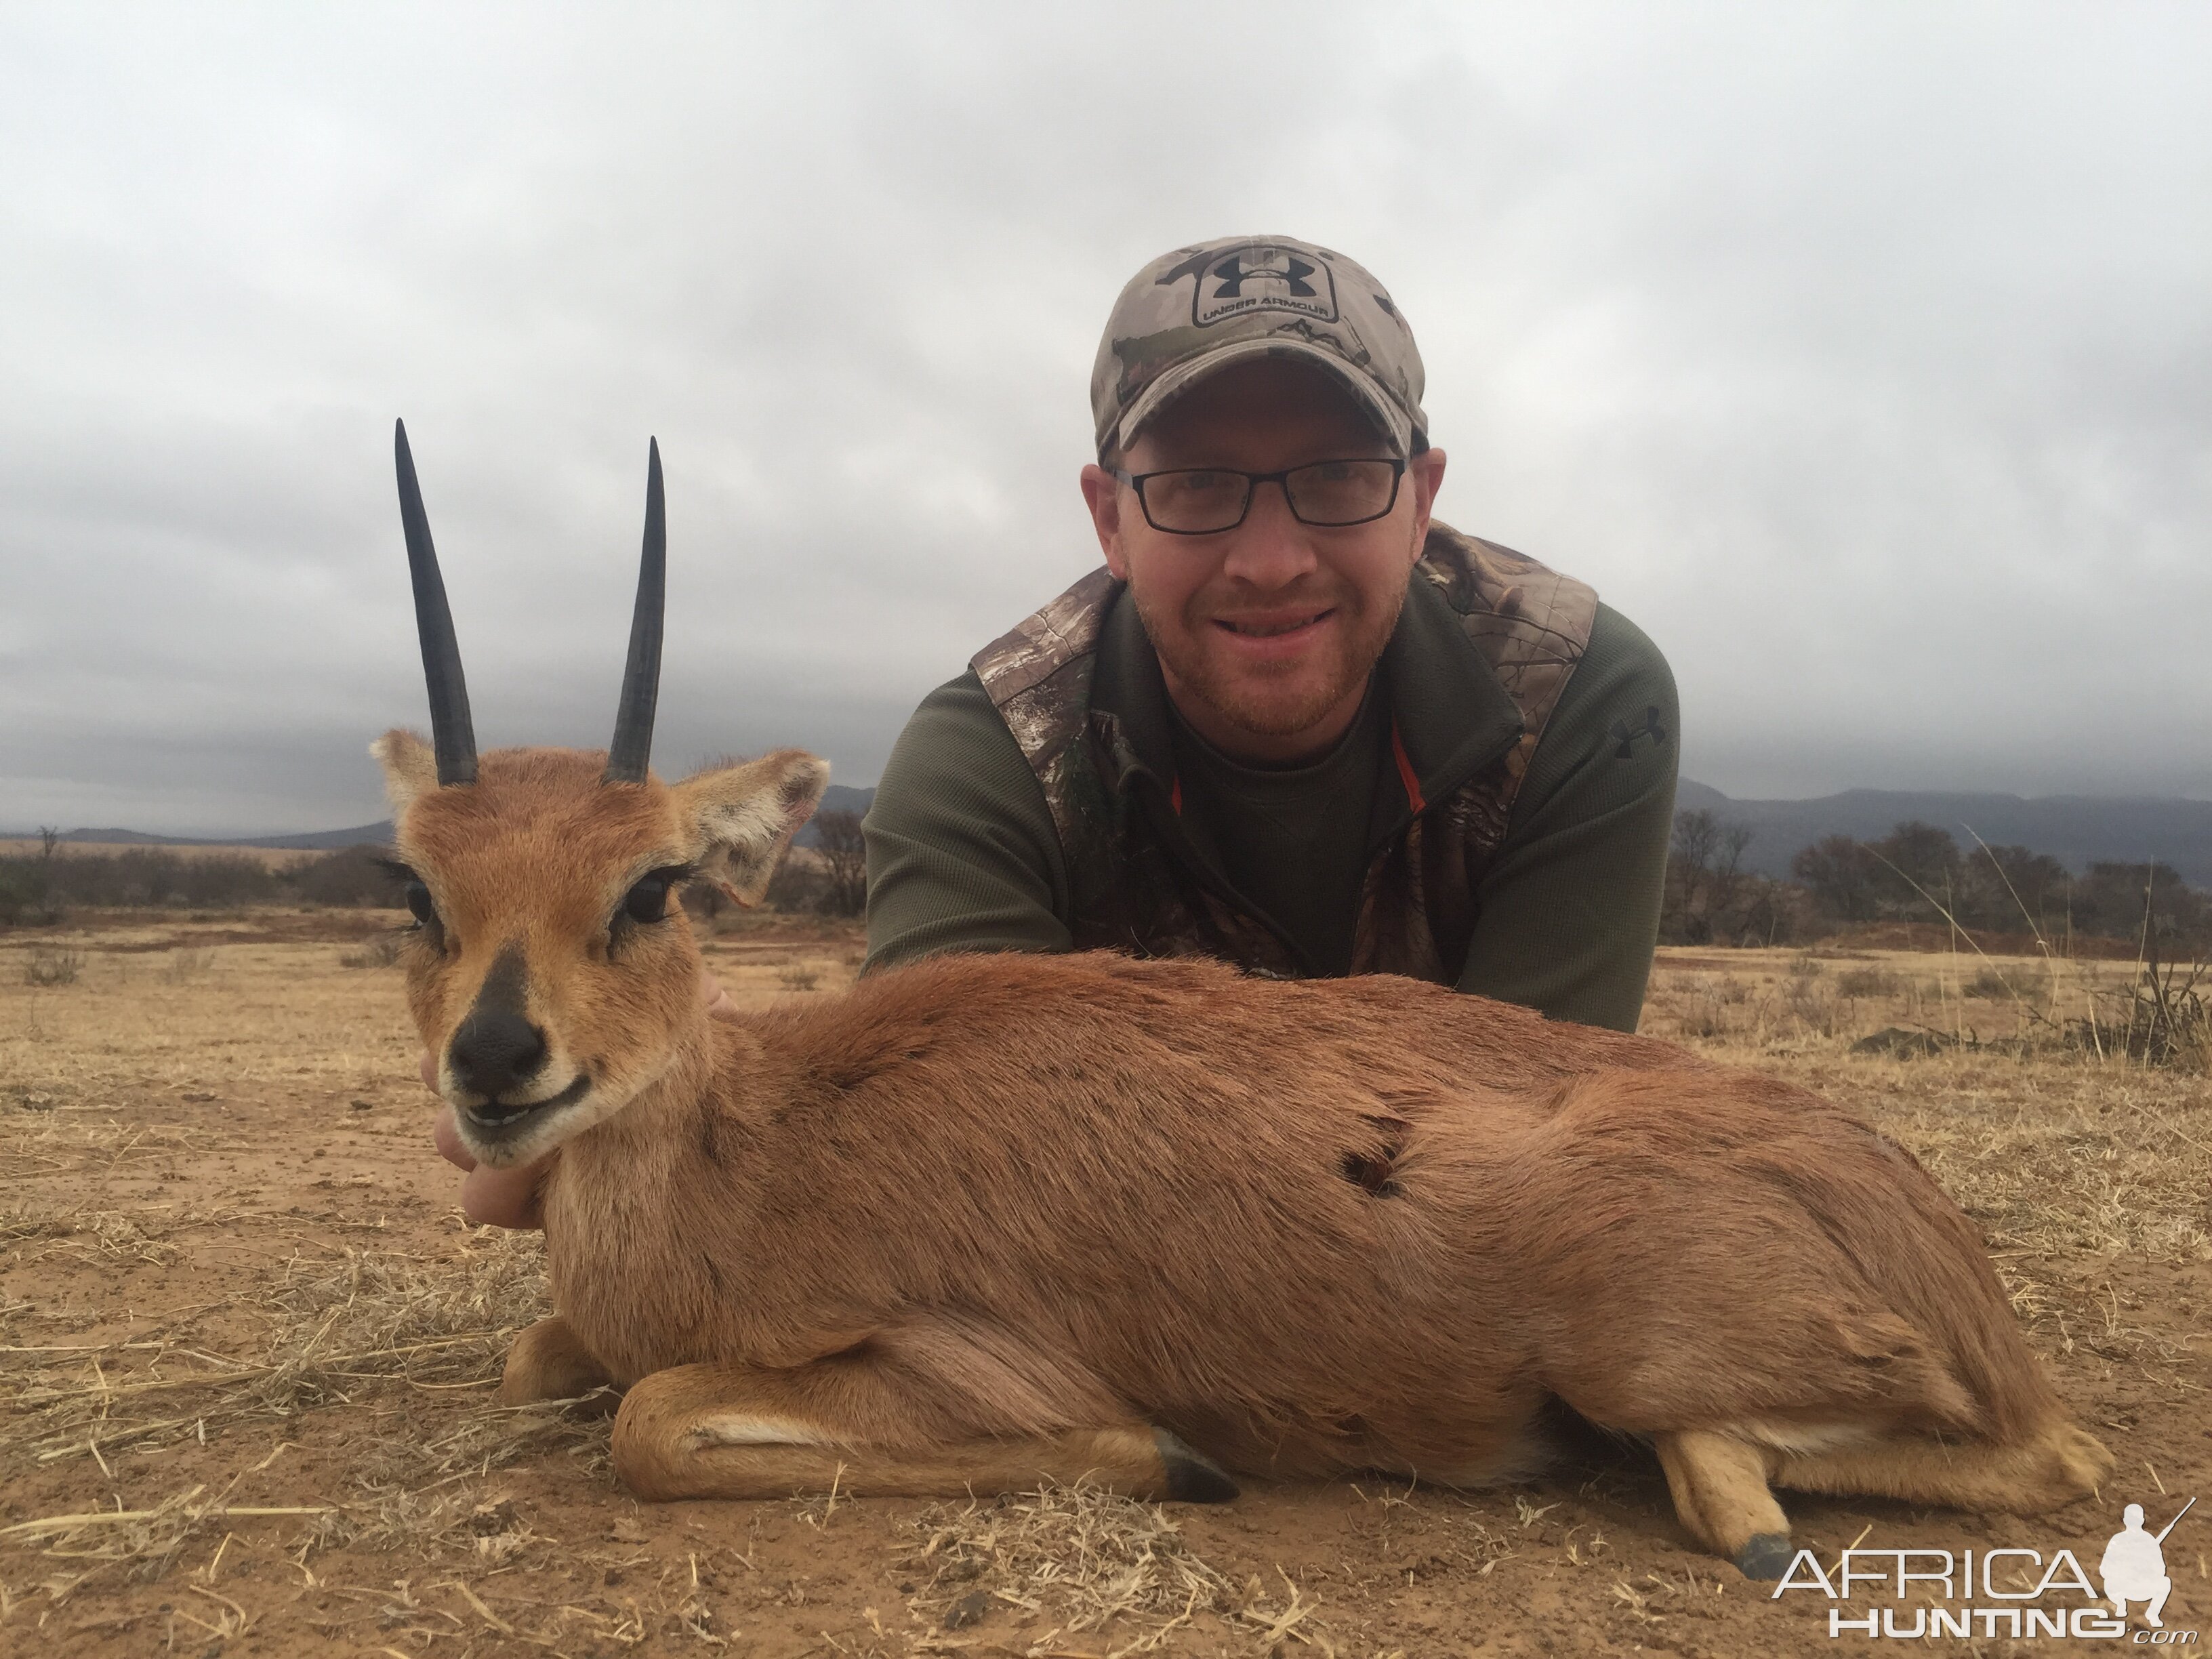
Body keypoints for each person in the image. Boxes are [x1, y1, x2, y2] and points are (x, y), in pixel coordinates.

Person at [433, 234, 1677, 1228]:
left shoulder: (1577, 694)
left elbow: (1547, 1136)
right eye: (1192, 487)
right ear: (1107, 517)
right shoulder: (987, 757)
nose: (1271, 557)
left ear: (1422, 498)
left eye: (1341, 476)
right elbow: (944, 1158)